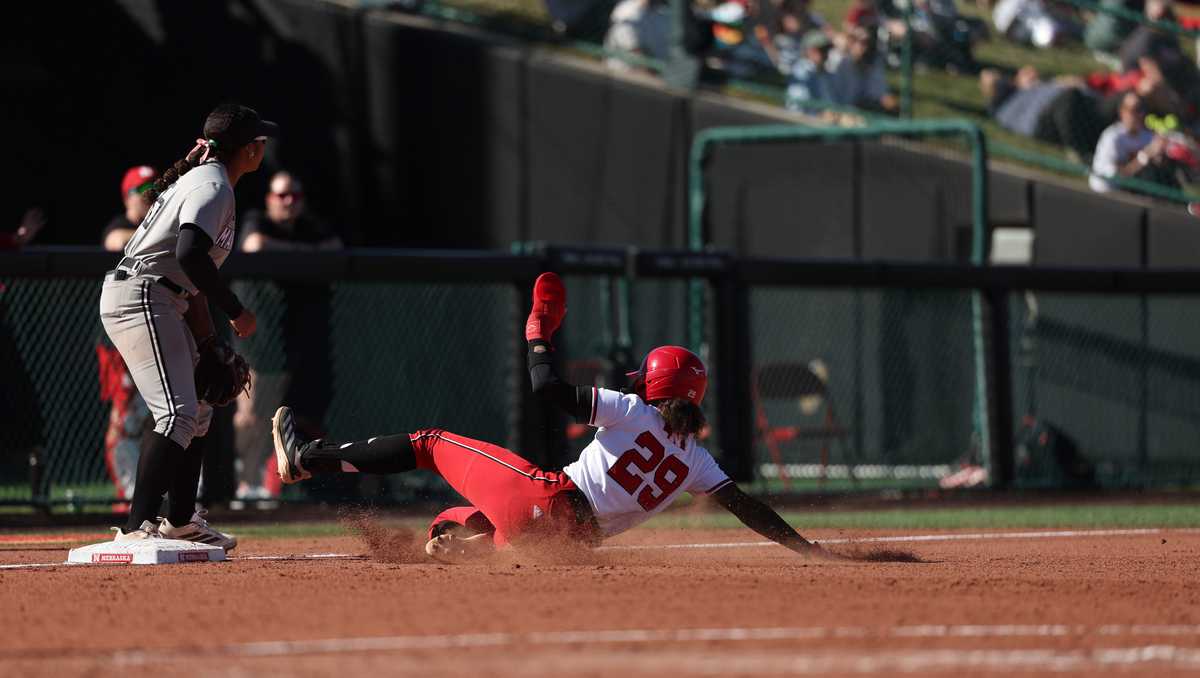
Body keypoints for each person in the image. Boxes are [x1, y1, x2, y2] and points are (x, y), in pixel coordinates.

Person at [269, 272, 840, 562]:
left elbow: (545, 386)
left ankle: (306, 461)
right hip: (568, 546)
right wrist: (806, 550)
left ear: (655, 383)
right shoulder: (695, 459)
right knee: (449, 521)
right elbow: (749, 509)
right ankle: (469, 544)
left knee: (429, 440)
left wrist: (538, 331)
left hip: (547, 501)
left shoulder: (632, 410)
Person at [99, 103, 276, 549]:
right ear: (247, 149)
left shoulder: (211, 182)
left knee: (197, 411)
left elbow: (188, 282)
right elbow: (189, 255)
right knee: (176, 413)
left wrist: (209, 341)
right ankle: (136, 527)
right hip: (142, 296)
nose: (263, 144)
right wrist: (236, 311)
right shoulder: (213, 186)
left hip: (160, 296)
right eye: (259, 138)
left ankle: (180, 520)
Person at [233, 171, 341, 504]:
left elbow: (334, 248)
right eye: (281, 195)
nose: (288, 201)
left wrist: (295, 251)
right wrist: (303, 253)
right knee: (248, 416)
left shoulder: (311, 226)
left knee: (277, 418)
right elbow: (254, 245)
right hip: (254, 339)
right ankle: (238, 482)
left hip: (290, 343)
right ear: (269, 199)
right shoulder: (257, 221)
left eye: (294, 195)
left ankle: (261, 485)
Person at [97, 166, 160, 506]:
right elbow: (118, 243)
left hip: (155, 330)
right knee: (125, 420)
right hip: (118, 339)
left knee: (161, 416)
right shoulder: (119, 229)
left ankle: (157, 493)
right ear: (127, 197)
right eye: (142, 189)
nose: (149, 194)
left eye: (154, 187)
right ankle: (128, 493)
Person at [981, 66, 1113, 163]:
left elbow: (1072, 82)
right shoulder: (1001, 108)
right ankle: (1079, 150)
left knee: (1122, 102)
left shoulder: (1028, 87)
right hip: (1045, 118)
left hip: (1082, 104)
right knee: (1069, 99)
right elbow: (989, 79)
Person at [1090, 91, 1179, 193]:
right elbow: (1117, 176)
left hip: (1131, 191)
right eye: (1133, 110)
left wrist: (1160, 156)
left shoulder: (1148, 136)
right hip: (1106, 192)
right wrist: (1144, 157)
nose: (1138, 115)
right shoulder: (1113, 137)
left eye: (1141, 109)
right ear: (1122, 112)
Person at [827, 26, 899, 114]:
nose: (862, 47)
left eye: (866, 43)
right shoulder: (838, 62)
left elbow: (880, 94)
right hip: (839, 112)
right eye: (856, 41)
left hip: (861, 109)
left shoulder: (873, 63)